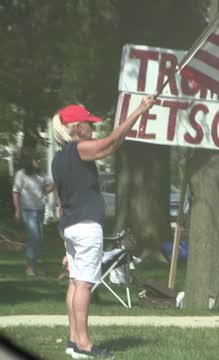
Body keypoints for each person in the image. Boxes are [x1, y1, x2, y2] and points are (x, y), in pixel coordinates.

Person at [52, 97, 154, 359]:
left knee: (75, 284)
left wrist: (66, 244)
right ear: (77, 128)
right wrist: (139, 111)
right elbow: (109, 143)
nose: (92, 127)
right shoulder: (80, 149)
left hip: (71, 227)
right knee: (84, 285)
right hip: (86, 226)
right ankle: (84, 344)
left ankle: (73, 341)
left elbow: (112, 144)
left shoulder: (59, 158)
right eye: (88, 123)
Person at [12, 151, 54, 276]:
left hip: (40, 209)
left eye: (39, 159)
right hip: (27, 210)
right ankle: (29, 267)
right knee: (33, 237)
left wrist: (49, 188)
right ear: (29, 161)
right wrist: (17, 210)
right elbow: (15, 192)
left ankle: (35, 266)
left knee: (39, 238)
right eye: (36, 159)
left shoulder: (40, 174)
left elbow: (49, 185)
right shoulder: (21, 175)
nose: (38, 161)